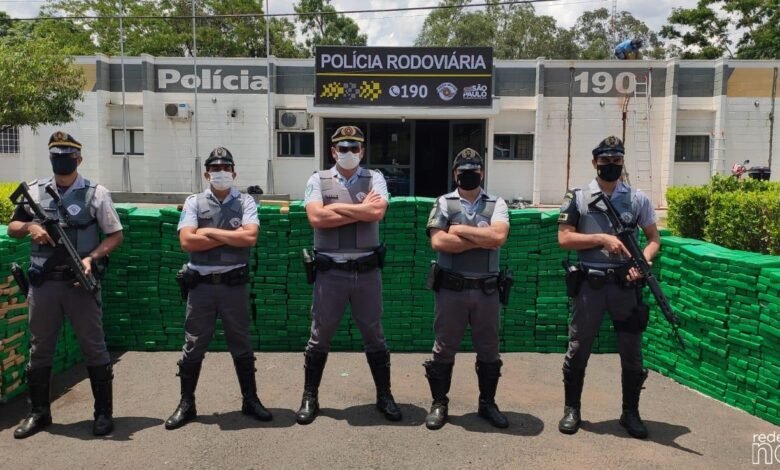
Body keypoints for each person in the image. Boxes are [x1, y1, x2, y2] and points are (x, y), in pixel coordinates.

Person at [9, 131, 124, 438]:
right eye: (56, 155)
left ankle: (102, 414)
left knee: (93, 346)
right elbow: (12, 227)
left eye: (67, 156)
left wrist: (92, 258)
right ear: (50, 158)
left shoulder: (95, 194)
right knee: (40, 348)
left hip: (79, 282)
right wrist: (32, 225)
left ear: (79, 159)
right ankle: (39, 413)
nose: (62, 160)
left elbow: (115, 235)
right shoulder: (34, 191)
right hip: (43, 283)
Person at [557, 135, 660, 438]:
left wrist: (644, 263)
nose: (611, 165)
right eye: (605, 160)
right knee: (579, 349)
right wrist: (601, 239)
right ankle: (572, 409)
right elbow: (564, 238)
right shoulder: (578, 196)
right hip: (590, 285)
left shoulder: (637, 199)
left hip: (625, 288)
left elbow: (653, 239)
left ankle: (630, 413)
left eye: (617, 160)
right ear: (595, 162)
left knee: (632, 352)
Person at [296, 125, 401, 425]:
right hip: (331, 273)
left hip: (367, 272)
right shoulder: (318, 179)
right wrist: (358, 207)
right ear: (333, 151)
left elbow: (377, 213)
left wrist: (335, 209)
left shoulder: (375, 178)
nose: (349, 153)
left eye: (354, 148)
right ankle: (309, 397)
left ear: (362, 151)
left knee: (374, 335)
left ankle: (384, 395)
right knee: (320, 336)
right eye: (343, 148)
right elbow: (316, 217)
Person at [164, 146, 272, 430]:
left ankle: (250, 400)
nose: (220, 173)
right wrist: (230, 236)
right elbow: (187, 242)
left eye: (225, 168)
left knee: (241, 343)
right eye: (215, 169)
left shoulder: (246, 201)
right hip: (201, 287)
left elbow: (250, 238)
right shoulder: (194, 202)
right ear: (206, 173)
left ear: (234, 172)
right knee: (193, 344)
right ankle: (186, 403)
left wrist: (208, 231)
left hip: (233, 285)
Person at [423, 148, 511, 430]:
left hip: (486, 291)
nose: (469, 175)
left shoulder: (497, 203)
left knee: (489, 349)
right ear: (455, 174)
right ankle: (439, 403)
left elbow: (498, 236)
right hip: (451, 289)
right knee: (444, 347)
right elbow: (438, 243)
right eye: (463, 171)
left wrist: (458, 230)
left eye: (474, 170)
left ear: (482, 172)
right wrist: (482, 239)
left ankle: (487, 404)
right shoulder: (444, 202)